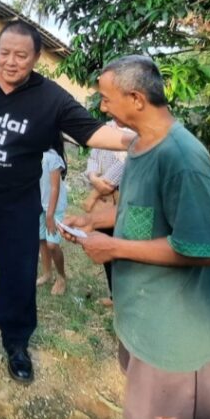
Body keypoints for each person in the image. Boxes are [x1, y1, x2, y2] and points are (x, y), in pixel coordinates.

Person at [0, 21, 132, 385]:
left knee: (17, 277)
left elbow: (92, 132)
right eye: (4, 53)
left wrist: (143, 137)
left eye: (21, 55)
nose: (11, 62)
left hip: (15, 205)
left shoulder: (50, 96)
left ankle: (16, 344)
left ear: (35, 59)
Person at [62, 55, 210, 419]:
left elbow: (200, 250)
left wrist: (114, 247)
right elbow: (140, 212)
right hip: (145, 318)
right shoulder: (140, 144)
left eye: (106, 99)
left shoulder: (183, 159)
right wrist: (98, 222)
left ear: (136, 98)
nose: (102, 107)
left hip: (175, 331)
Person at [82, 118, 134, 305]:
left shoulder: (134, 133)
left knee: (120, 248)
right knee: (107, 249)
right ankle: (115, 295)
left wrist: (95, 193)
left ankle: (125, 296)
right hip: (103, 197)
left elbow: (121, 167)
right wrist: (93, 177)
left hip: (118, 197)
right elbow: (94, 158)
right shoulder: (106, 128)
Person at [37, 148, 68, 295]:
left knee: (52, 244)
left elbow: (55, 188)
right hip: (40, 205)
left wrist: (50, 215)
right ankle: (47, 273)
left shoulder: (52, 157)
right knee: (42, 240)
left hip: (54, 207)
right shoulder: (31, 153)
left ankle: (61, 277)